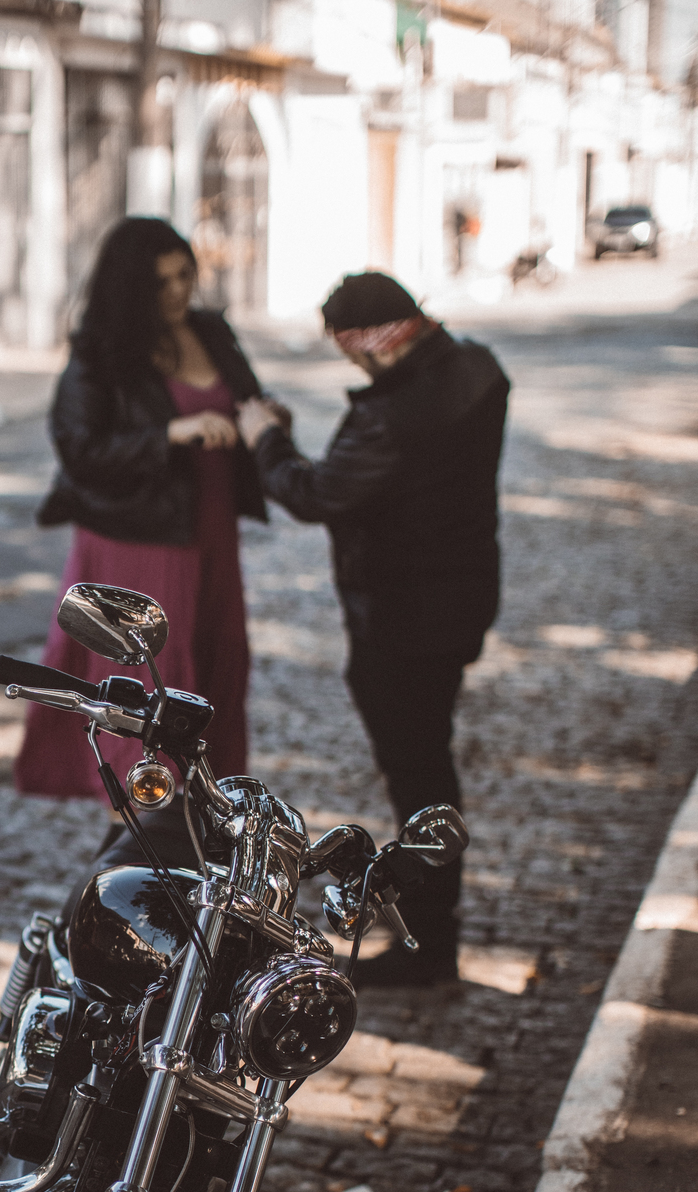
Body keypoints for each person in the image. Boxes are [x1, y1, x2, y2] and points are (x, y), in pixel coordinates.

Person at [239, 271, 510, 987]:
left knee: (419, 776)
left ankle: (432, 940)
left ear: (370, 343)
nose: (354, 366)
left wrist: (267, 440)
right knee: (431, 762)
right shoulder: (480, 371)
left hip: (397, 616)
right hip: (460, 599)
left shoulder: (392, 415)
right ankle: (433, 927)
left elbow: (319, 492)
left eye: (352, 353)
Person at [14, 216, 271, 817]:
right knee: (149, 681)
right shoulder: (102, 352)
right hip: (137, 536)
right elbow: (79, 447)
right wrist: (169, 434)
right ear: (132, 288)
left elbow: (245, 400)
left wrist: (264, 422)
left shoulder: (211, 331)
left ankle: (208, 811)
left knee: (217, 657)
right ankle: (143, 826)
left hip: (210, 530)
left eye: (186, 274)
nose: (179, 291)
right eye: (161, 283)